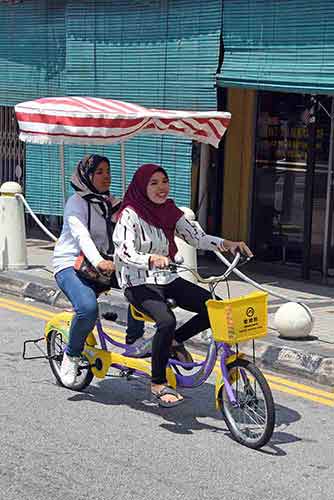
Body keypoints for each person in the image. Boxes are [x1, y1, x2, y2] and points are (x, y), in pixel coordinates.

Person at [113, 163, 253, 407]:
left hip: (167, 278)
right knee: (166, 320)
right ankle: (158, 382)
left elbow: (197, 238)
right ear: (141, 186)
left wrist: (227, 243)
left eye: (164, 181)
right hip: (137, 281)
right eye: (153, 183)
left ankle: (173, 340)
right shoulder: (130, 214)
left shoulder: (170, 211)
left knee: (215, 308)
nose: (161, 188)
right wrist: (150, 259)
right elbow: (125, 251)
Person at [53, 154, 144, 387]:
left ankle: (134, 342)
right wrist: (98, 260)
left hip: (102, 264)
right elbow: (81, 235)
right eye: (99, 172)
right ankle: (71, 356)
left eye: (108, 171)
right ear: (87, 175)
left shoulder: (110, 203)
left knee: (142, 287)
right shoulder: (76, 202)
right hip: (71, 264)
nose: (106, 177)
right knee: (87, 308)